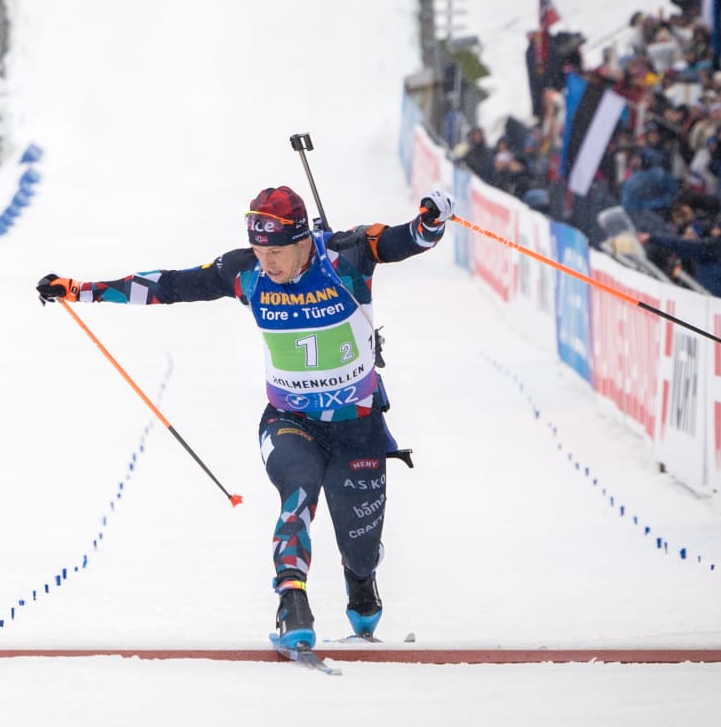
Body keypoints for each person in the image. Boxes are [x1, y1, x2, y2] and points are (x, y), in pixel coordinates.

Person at [34, 183, 454, 652]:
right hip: (291, 420)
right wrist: (80, 290)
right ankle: (292, 601)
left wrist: (432, 220)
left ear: (303, 241)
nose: (268, 263)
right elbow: (169, 285)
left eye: (276, 252)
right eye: (259, 250)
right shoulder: (246, 272)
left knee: (359, 549)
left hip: (358, 426)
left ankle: (360, 580)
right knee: (297, 494)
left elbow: (405, 239)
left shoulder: (345, 256)